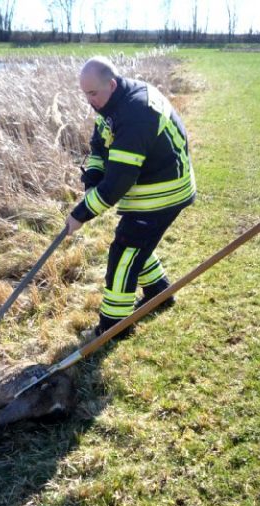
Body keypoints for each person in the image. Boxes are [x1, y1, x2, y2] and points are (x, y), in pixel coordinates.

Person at [65, 56, 196, 339]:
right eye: (85, 93)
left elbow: (118, 185)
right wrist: (93, 179)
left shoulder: (137, 112)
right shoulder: (114, 101)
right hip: (149, 183)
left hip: (164, 190)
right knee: (135, 242)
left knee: (125, 252)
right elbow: (100, 143)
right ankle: (159, 292)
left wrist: (80, 215)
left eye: (93, 93)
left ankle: (114, 327)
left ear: (111, 84)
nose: (89, 101)